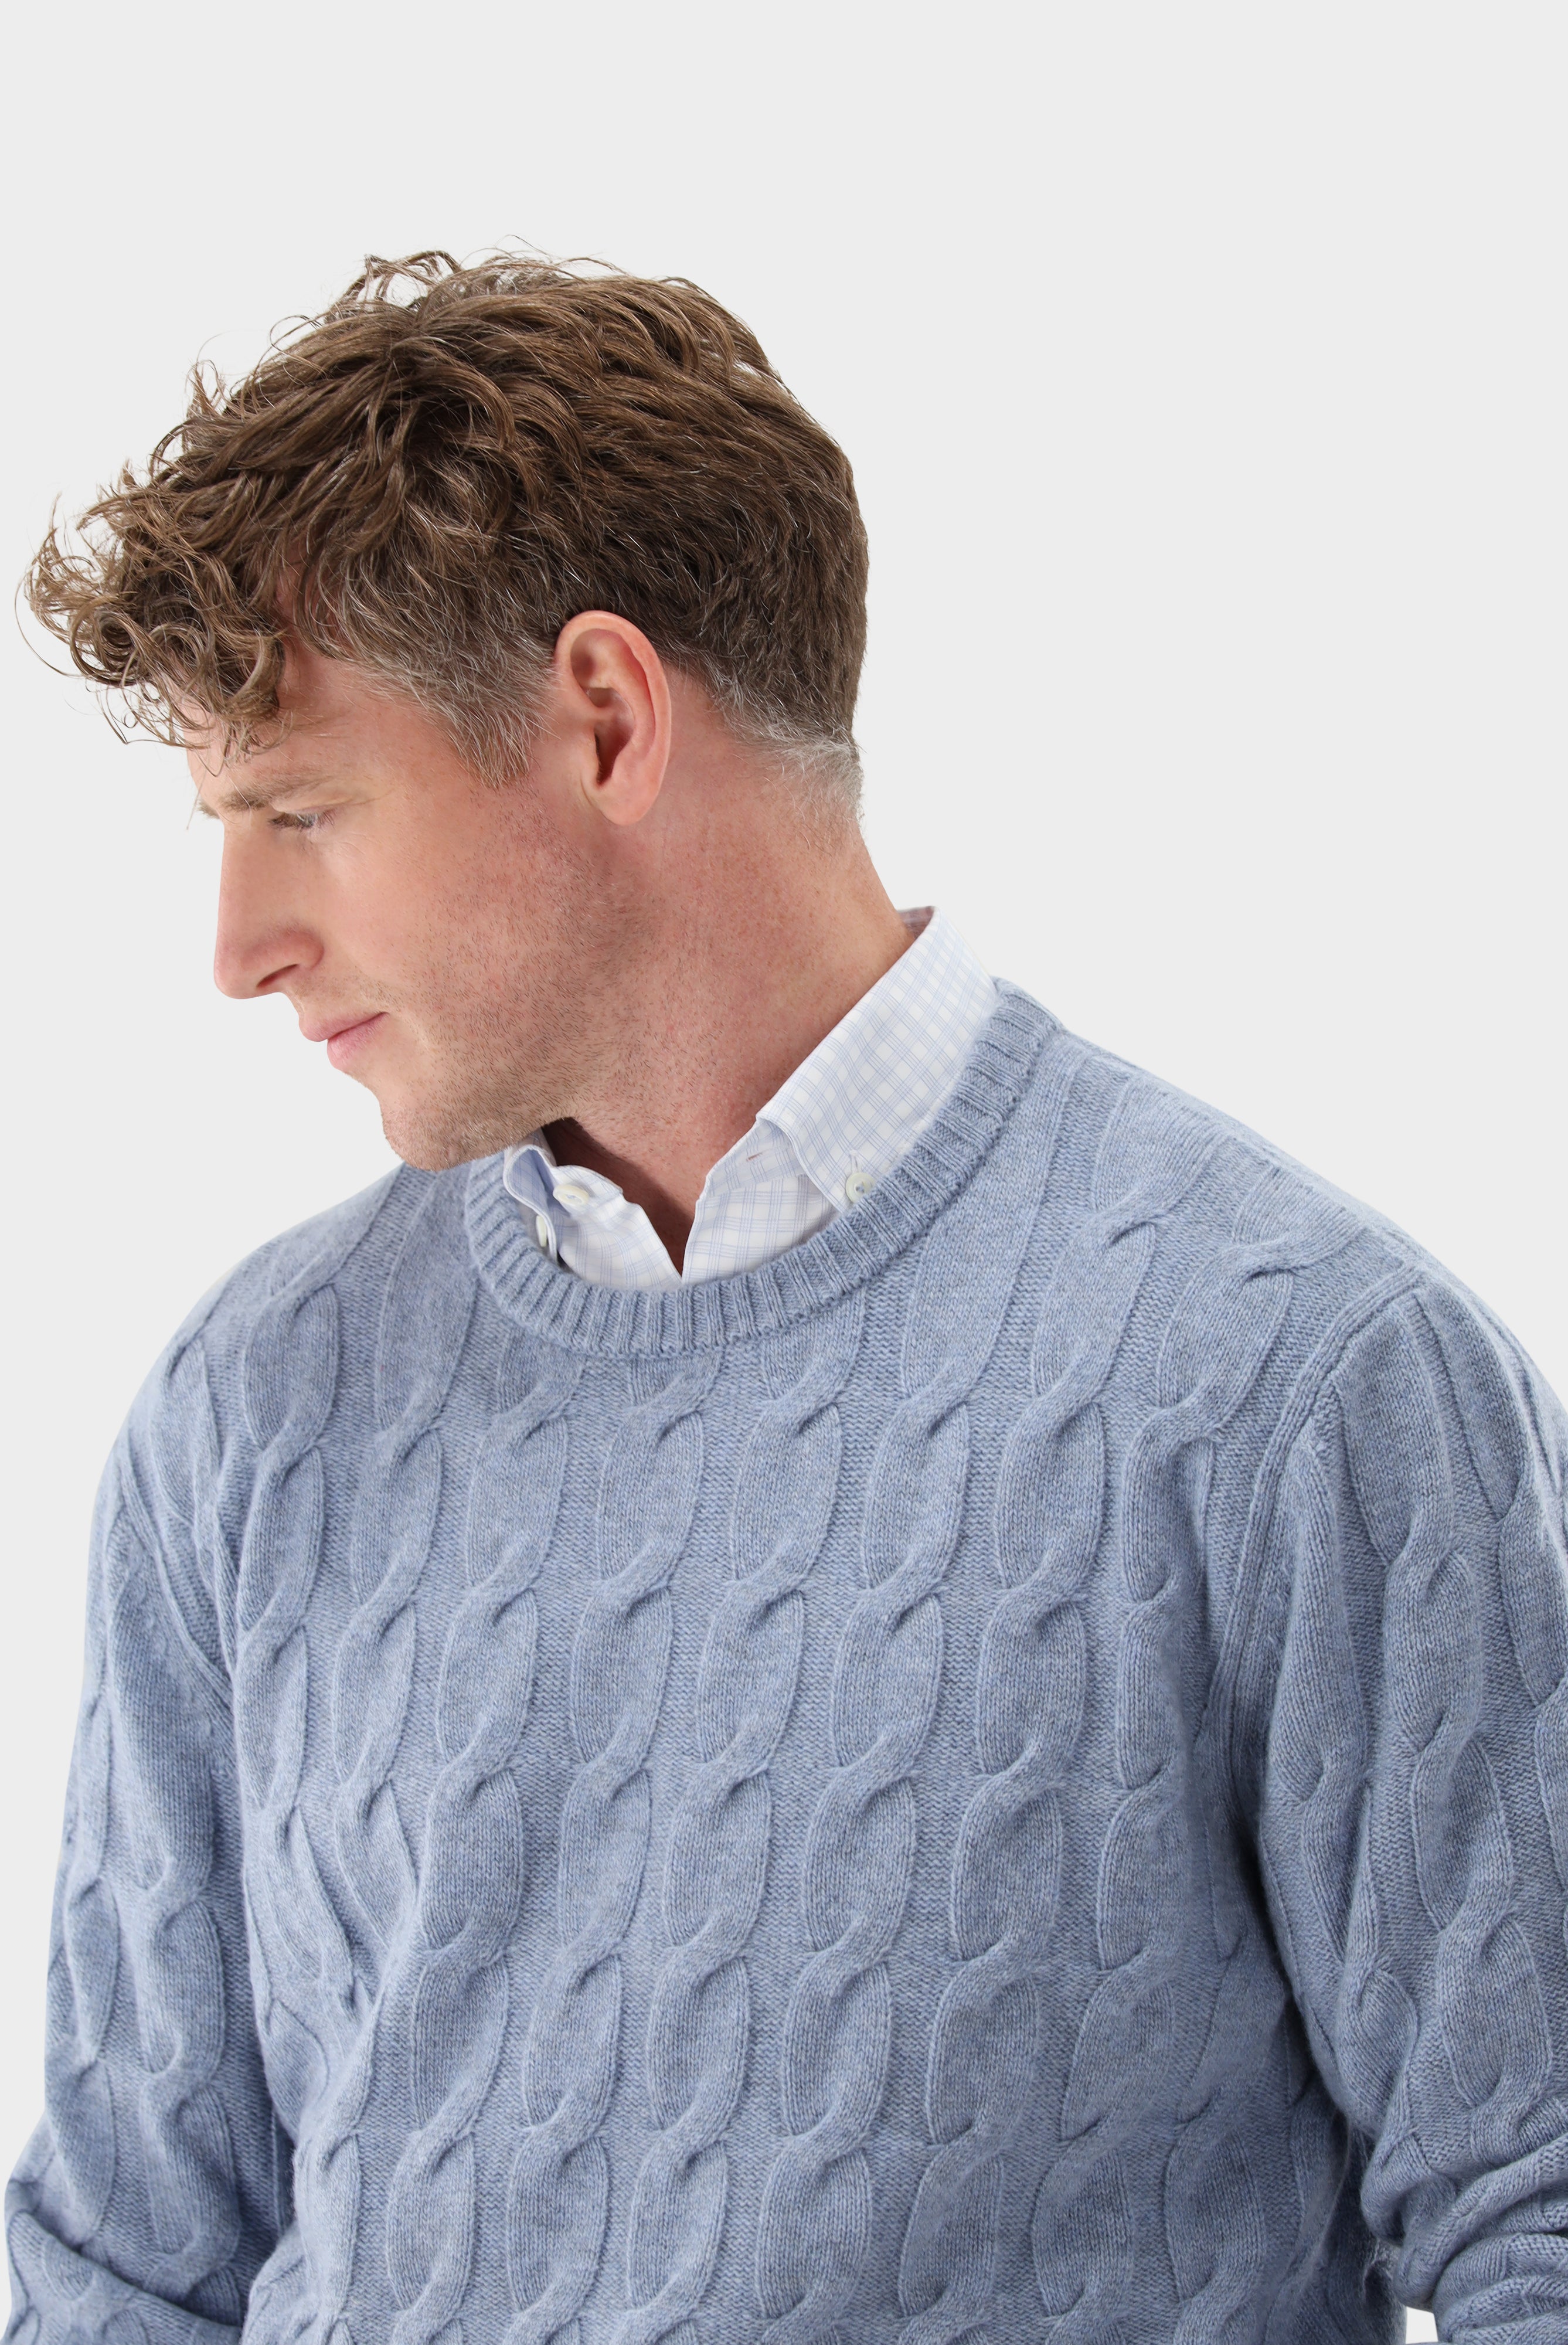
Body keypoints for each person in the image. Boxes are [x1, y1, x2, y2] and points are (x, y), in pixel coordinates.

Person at [7, 249, 1567, 2345]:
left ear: (605, 719)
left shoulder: (1298, 1377)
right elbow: (126, 2264)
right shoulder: (251, 1406)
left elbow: (1537, 2211)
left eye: (300, 810)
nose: (237, 946)